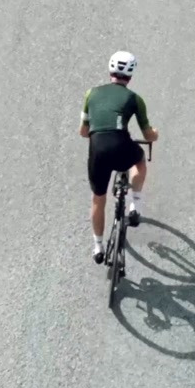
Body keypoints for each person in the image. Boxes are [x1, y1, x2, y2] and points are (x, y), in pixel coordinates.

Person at [80, 50, 157, 263]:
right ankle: (135, 205)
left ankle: (97, 246)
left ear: (109, 71)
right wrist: (155, 134)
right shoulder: (134, 99)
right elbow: (148, 134)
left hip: (97, 150)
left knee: (98, 199)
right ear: (130, 76)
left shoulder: (91, 94)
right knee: (139, 160)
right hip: (121, 144)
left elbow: (83, 132)